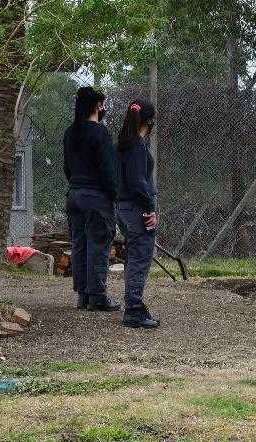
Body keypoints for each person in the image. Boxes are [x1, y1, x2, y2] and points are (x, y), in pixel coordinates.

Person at [63, 86, 120, 311]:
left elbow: (67, 167)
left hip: (74, 195)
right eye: (102, 104)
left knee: (79, 244)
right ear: (98, 106)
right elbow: (108, 170)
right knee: (98, 244)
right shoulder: (100, 133)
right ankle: (98, 295)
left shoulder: (70, 132)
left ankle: (83, 295)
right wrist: (115, 195)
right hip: (95, 197)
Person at [116, 99, 160, 328]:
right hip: (137, 208)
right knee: (139, 258)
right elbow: (137, 182)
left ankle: (135, 304)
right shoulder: (137, 145)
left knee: (134, 257)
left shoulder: (125, 144)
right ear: (148, 121)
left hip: (124, 207)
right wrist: (150, 209)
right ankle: (133, 309)